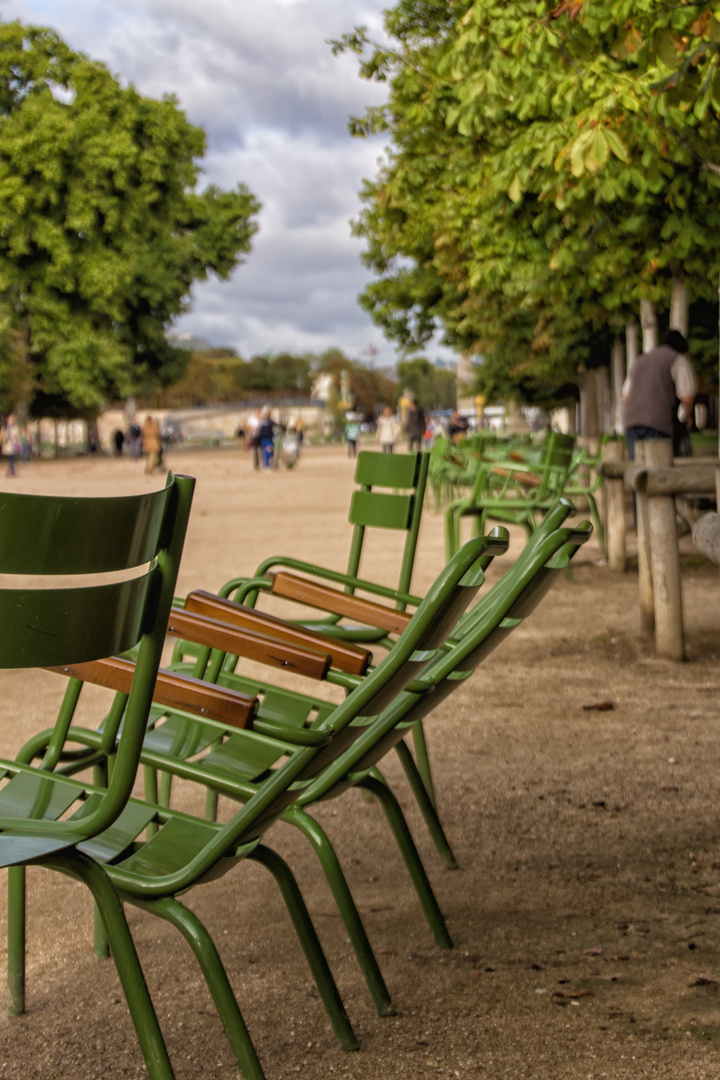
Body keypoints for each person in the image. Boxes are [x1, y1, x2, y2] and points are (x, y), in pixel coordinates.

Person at [623, 329, 695, 460]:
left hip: (631, 421)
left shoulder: (640, 360)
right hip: (657, 423)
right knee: (658, 470)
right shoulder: (677, 359)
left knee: (636, 470)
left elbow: (625, 397)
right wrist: (686, 416)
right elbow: (687, 396)